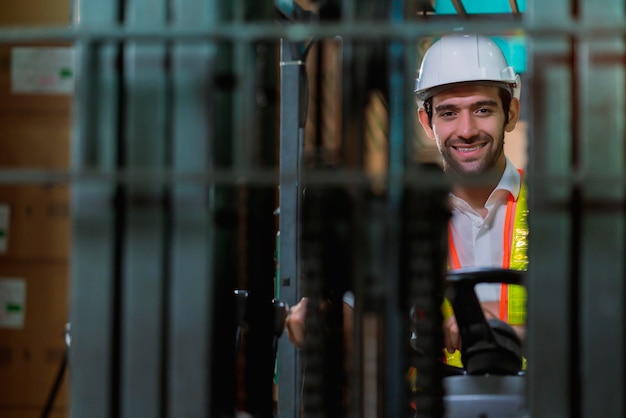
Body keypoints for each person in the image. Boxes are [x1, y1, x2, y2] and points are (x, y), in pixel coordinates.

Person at [285, 33, 528, 368]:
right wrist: (323, 318)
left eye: (482, 109)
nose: (467, 129)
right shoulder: (403, 216)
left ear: (511, 114)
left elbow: (602, 322)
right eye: (448, 113)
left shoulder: (558, 210)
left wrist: (512, 334)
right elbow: (362, 315)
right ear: (426, 123)